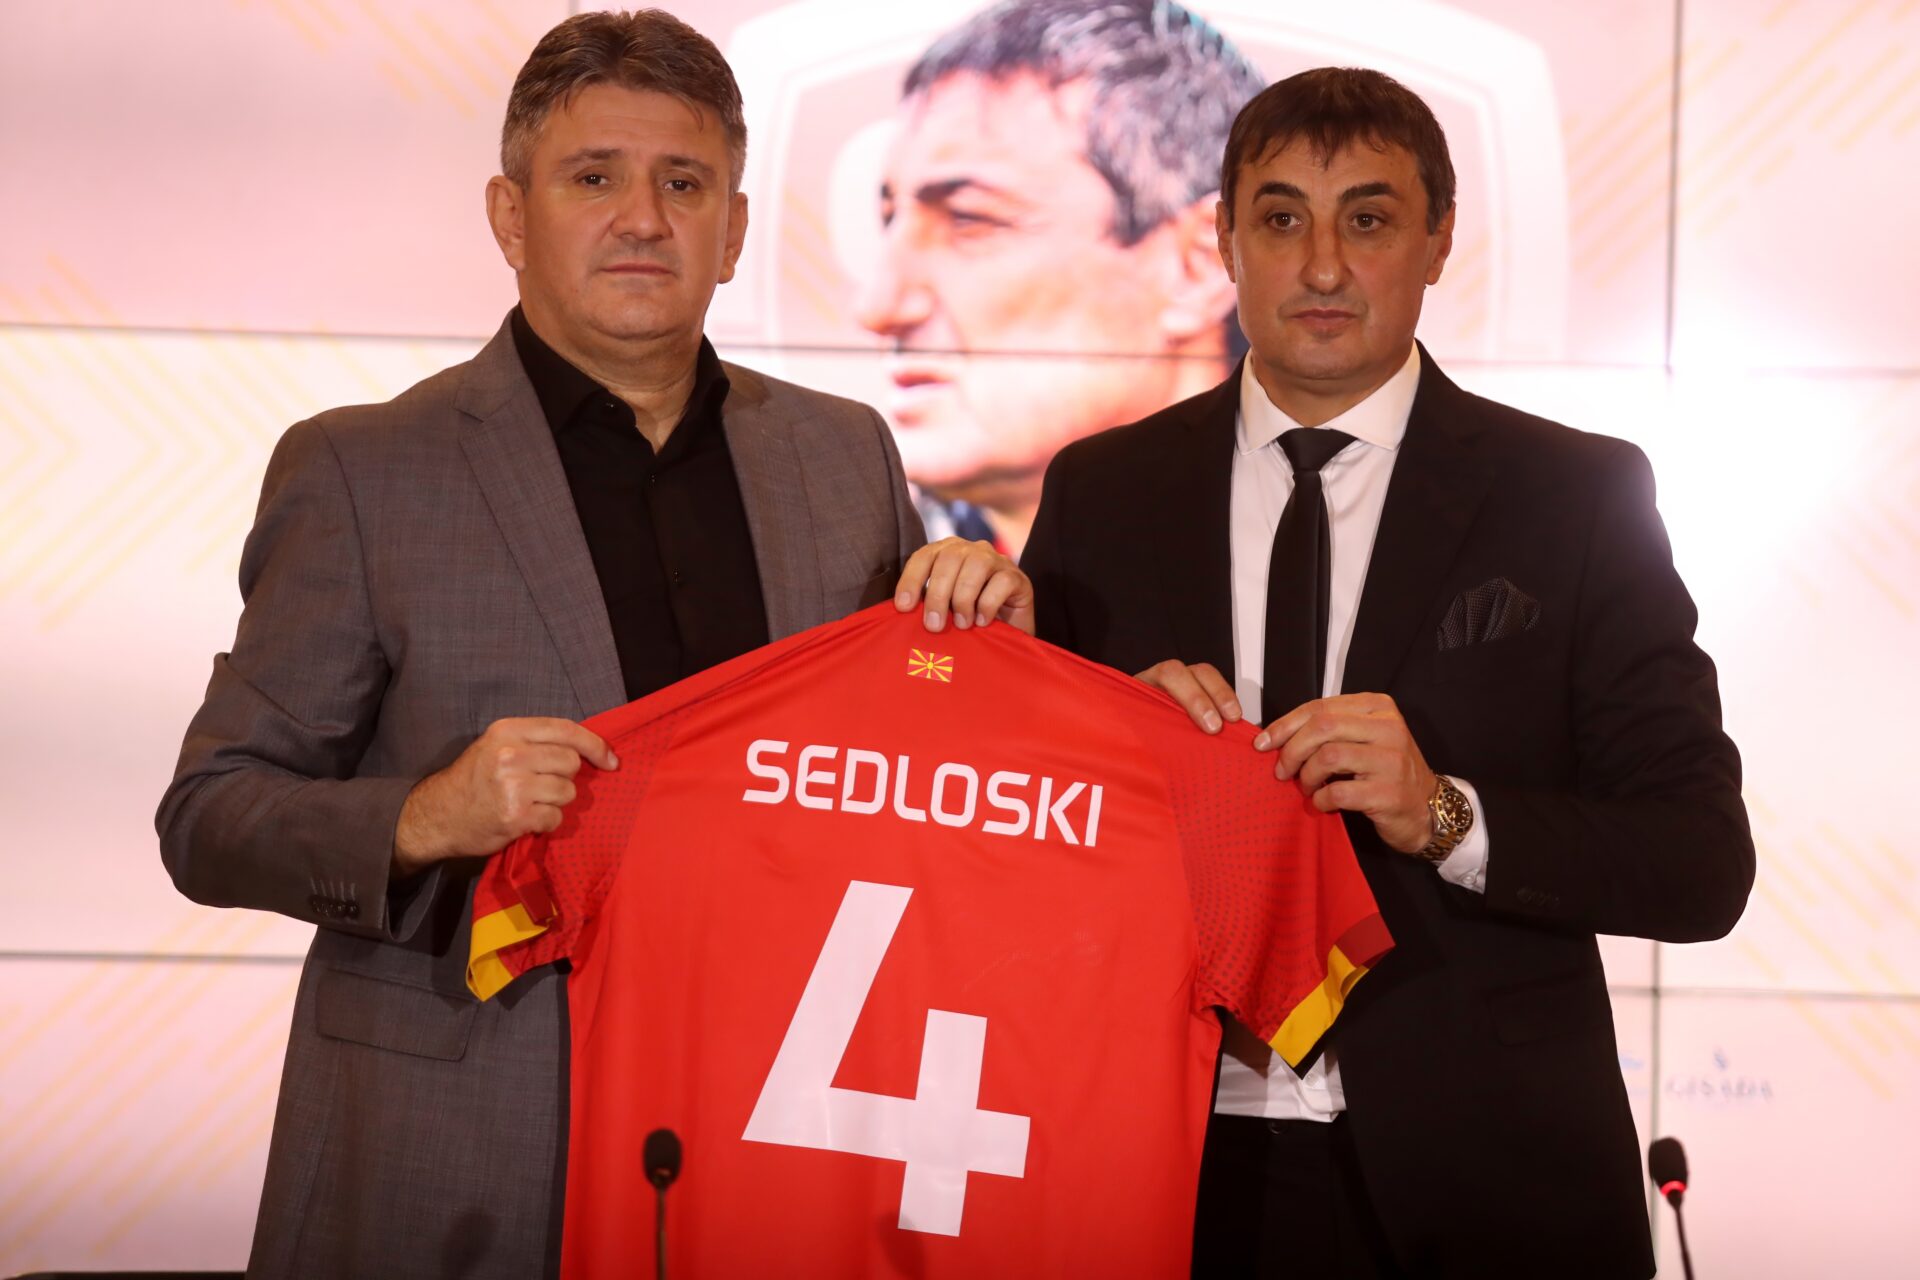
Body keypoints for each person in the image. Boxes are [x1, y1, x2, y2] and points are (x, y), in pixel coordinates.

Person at [156, 11, 1029, 1279]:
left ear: (735, 229)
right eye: (593, 178)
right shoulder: (362, 470)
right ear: (510, 218)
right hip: (468, 1150)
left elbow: (910, 775)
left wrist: (990, 652)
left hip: (775, 1132)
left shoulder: (845, 456)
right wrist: (428, 814)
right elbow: (210, 813)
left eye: (684, 183)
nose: (643, 219)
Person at [1023, 67, 1753, 1278]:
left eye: (1366, 218)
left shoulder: (1575, 497)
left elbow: (1701, 862)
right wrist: (1110, 765)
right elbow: (1018, 841)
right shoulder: (1101, 491)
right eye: (1281, 218)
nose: (1321, 266)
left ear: (1438, 240)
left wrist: (1445, 814)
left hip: (1488, 1181)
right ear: (1224, 238)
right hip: (1163, 1164)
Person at [856, 0, 1264, 557]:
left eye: (969, 219)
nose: (878, 307)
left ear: (1202, 265)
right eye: (888, 220)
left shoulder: (1325, 558)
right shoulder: (880, 573)